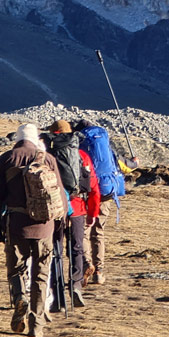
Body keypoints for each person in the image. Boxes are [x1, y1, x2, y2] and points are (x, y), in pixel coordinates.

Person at [0, 123, 66, 337]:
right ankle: (36, 324)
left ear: (18, 138)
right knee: (41, 274)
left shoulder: (7, 159)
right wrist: (58, 227)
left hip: (16, 224)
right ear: (36, 138)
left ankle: (20, 298)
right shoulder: (48, 159)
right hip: (45, 226)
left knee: (16, 269)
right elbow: (61, 198)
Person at [43, 120, 100, 306]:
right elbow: (93, 186)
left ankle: (57, 294)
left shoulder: (47, 156)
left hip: (55, 209)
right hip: (77, 208)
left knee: (55, 250)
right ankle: (75, 286)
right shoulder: (81, 155)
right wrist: (92, 212)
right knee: (76, 248)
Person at [75, 118, 126, 285]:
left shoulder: (81, 144)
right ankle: (99, 271)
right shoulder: (103, 143)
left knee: (84, 231)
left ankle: (87, 263)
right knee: (99, 232)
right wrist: (134, 162)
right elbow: (121, 165)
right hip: (106, 191)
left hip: (87, 191)